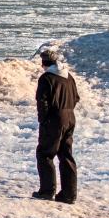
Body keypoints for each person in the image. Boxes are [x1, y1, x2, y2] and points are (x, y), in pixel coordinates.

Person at [32, 48, 79, 204]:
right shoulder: (68, 76)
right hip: (70, 117)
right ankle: (69, 195)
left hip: (54, 119)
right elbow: (76, 97)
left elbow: (42, 101)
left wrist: (43, 119)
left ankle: (47, 191)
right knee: (66, 155)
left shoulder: (46, 78)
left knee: (45, 154)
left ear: (44, 62)